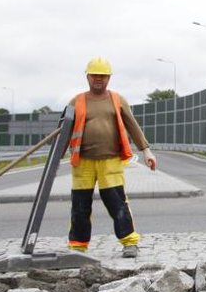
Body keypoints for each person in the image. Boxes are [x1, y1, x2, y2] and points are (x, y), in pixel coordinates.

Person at [67, 57, 157, 258]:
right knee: (80, 205)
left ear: (109, 78)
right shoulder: (76, 101)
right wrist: (55, 159)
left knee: (116, 202)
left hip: (111, 161)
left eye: (103, 76)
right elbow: (63, 131)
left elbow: (132, 125)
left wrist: (146, 151)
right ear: (88, 77)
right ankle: (78, 247)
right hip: (83, 162)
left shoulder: (117, 100)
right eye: (95, 75)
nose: (98, 79)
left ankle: (129, 242)